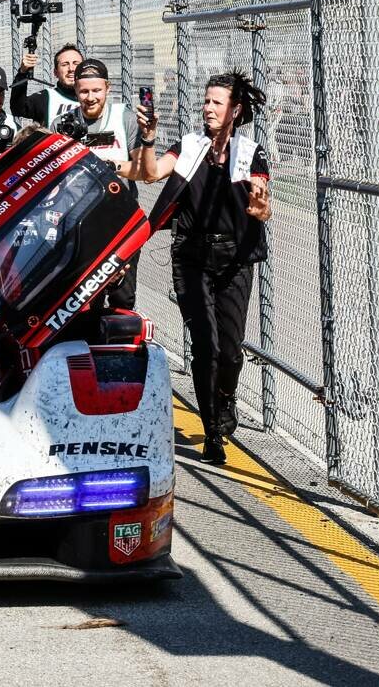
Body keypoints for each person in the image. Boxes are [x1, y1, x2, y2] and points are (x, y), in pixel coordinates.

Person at [140, 71, 272, 465]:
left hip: (235, 260)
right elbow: (151, 173)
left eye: (217, 102)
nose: (208, 108)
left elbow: (264, 198)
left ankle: (226, 399)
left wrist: (260, 206)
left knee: (230, 351)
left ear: (236, 110)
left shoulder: (250, 153)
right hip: (192, 258)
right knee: (206, 348)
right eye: (207, 101)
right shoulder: (191, 147)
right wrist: (147, 139)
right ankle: (212, 430)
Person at [55, 58, 145, 310]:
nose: (90, 97)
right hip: (80, 223)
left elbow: (141, 170)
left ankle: (119, 348)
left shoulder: (125, 118)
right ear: (75, 91)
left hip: (120, 220)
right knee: (85, 300)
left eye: (96, 90)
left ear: (108, 87)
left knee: (122, 297)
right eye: (84, 91)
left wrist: (109, 165)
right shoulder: (62, 124)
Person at [11, 43, 83, 125]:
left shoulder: (95, 96)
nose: (71, 69)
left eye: (76, 63)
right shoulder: (45, 97)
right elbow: (18, 108)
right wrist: (22, 73)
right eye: (65, 64)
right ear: (55, 73)